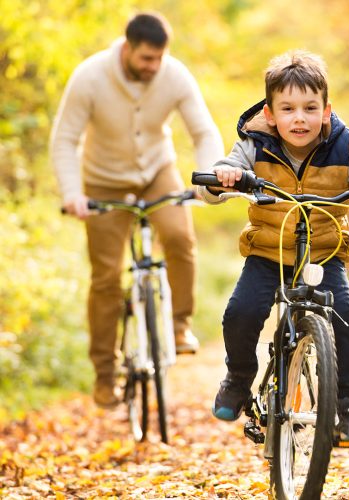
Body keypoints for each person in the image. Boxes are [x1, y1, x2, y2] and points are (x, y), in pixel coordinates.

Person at [198, 50, 349, 440]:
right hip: (268, 252)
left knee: (343, 314)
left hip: (322, 253)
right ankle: (238, 378)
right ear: (271, 114)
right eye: (288, 109)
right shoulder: (254, 143)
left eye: (310, 108)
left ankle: (346, 403)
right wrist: (224, 176)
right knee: (242, 312)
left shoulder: (345, 146)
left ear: (326, 111)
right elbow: (216, 182)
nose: (300, 118)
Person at [50, 12, 224, 408]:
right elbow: (65, 139)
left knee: (179, 237)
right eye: (146, 58)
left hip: (157, 173)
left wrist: (208, 179)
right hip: (103, 181)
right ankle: (104, 374)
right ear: (127, 48)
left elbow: (204, 131)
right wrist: (72, 193)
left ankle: (179, 325)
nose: (153, 66)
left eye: (159, 58)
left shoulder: (174, 75)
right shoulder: (90, 77)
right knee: (106, 278)